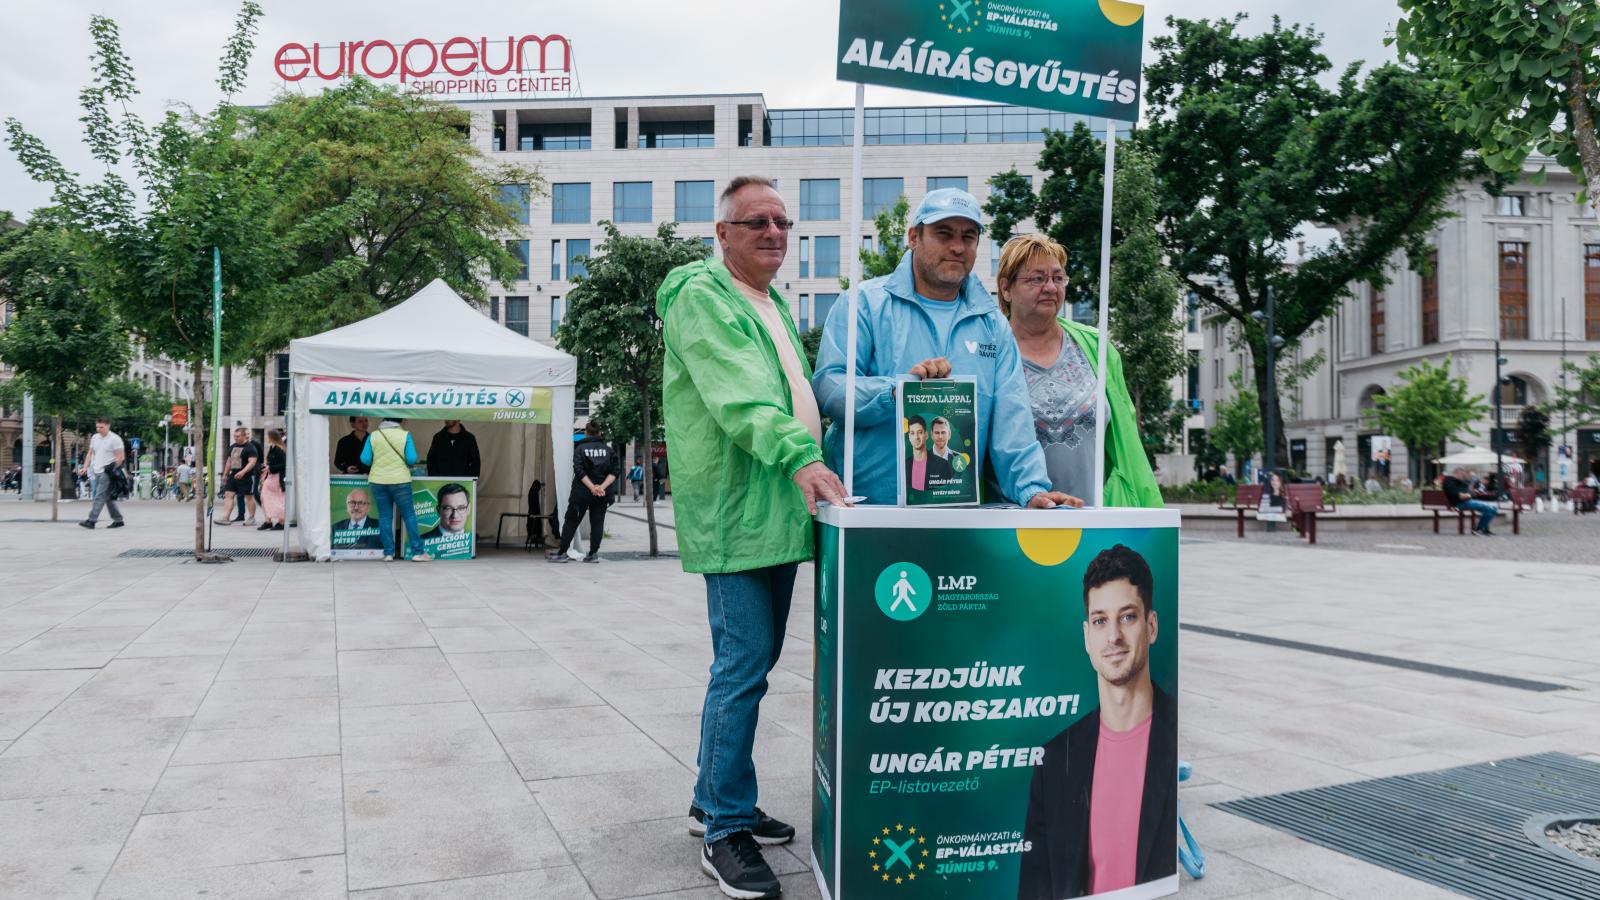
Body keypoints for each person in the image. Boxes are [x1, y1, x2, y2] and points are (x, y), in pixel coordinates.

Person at [658, 175, 848, 900]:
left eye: (782, 222)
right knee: (741, 665)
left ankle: (714, 796)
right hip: (737, 511)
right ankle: (724, 828)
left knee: (754, 661)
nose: (774, 233)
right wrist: (801, 455)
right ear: (723, 234)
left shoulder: (768, 302)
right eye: (756, 222)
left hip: (775, 510)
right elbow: (741, 396)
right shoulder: (702, 296)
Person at [812, 188, 1082, 510]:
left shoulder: (993, 325)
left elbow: (1013, 421)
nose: (957, 247)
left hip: (957, 518)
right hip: (864, 512)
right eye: (944, 233)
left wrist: (1030, 490)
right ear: (913, 237)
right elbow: (829, 388)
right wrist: (896, 392)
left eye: (968, 237)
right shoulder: (863, 304)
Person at [1017, 544, 1177, 898]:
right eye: (1100, 621)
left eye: (1128, 617)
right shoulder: (1053, 761)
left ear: (1151, 626)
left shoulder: (1178, 735)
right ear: (1086, 635)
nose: (1113, 636)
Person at [998, 233, 1161, 507]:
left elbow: (1128, 445)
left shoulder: (1097, 348)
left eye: (1058, 278)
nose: (1050, 287)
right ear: (1006, 289)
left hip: (1093, 522)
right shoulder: (989, 351)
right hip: (1014, 525)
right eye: (1037, 279)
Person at [361, 419, 431, 561]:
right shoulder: (405, 435)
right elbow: (411, 459)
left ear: (383, 420)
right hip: (400, 480)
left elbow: (365, 459)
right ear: (401, 421)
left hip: (378, 480)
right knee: (409, 515)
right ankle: (417, 552)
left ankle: (388, 553)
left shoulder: (373, 435)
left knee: (385, 516)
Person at [549, 422, 618, 563]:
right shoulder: (609, 450)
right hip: (601, 495)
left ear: (586, 432)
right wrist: (601, 487)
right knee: (597, 523)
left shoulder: (580, 448)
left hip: (581, 493)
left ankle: (562, 553)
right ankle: (593, 554)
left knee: (571, 521)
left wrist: (592, 487)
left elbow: (579, 471)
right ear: (600, 433)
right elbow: (615, 472)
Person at [77, 417, 126, 529]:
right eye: (97, 427)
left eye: (101, 427)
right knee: (107, 497)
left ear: (108, 426)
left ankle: (91, 521)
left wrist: (113, 470)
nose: (99, 429)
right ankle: (118, 520)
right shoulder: (95, 438)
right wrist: (85, 467)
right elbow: (90, 453)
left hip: (107, 471)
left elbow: (120, 457)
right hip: (96, 470)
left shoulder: (115, 439)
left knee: (99, 496)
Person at [216, 427, 260, 526]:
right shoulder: (233, 446)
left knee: (249, 496)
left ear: (244, 436)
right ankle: (226, 517)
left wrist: (243, 472)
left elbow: (252, 462)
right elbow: (229, 461)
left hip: (247, 476)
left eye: (238, 436)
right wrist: (225, 474)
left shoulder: (250, 447)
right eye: (234, 436)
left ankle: (251, 518)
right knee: (228, 494)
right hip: (233, 475)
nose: (235, 438)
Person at [904, 415, 952, 499]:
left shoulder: (943, 464)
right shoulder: (904, 465)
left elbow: (945, 496)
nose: (916, 437)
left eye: (920, 432)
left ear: (926, 435)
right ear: (909, 437)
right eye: (912, 433)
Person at [1443, 466, 1498, 535]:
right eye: (1462, 475)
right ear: (1458, 473)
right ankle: (1478, 529)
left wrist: (1471, 493)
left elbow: (1468, 491)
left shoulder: (1460, 481)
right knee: (1489, 508)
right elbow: (1457, 495)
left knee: (1493, 508)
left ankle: (1483, 529)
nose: (1463, 477)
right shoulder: (1449, 481)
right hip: (1459, 503)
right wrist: (1467, 495)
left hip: (1468, 501)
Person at [259, 429, 287, 531]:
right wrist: (267, 466)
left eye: (268, 436)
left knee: (275, 498)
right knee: (266, 497)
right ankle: (269, 521)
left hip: (277, 477)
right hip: (272, 476)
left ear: (272, 437)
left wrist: (269, 468)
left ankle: (279, 521)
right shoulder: (273, 448)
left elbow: (283, 465)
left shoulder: (279, 449)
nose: (267, 438)